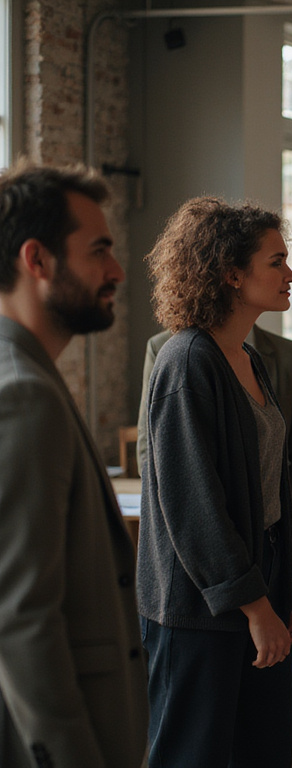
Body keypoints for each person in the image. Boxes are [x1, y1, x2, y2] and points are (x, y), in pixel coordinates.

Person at [138, 197, 292, 766]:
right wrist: (253, 606)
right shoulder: (187, 361)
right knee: (196, 754)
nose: (290, 274)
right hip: (202, 606)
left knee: (261, 753)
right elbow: (192, 506)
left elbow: (271, 487)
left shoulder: (246, 357)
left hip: (261, 583)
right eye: (276, 262)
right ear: (232, 274)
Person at [0, 161, 148, 768]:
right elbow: (21, 617)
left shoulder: (31, 375)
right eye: (99, 251)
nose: (115, 270)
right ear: (38, 261)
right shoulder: (22, 394)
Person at [137, 324, 292, 531]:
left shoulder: (290, 355)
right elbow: (150, 448)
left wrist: (288, 527)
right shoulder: (167, 348)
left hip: (274, 534)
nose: (290, 288)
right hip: (202, 533)